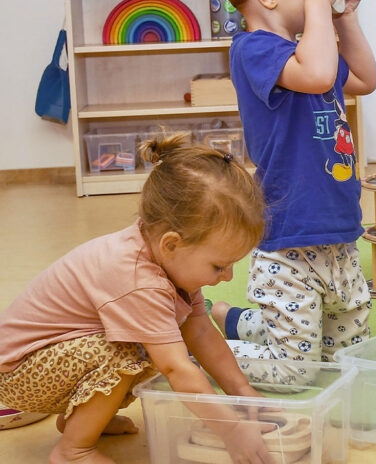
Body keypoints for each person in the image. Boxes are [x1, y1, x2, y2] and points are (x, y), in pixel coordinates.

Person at [0, 135, 274, 464]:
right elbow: (176, 368)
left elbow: (200, 331)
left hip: (53, 360)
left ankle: (84, 419)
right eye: (219, 266)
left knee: (155, 341)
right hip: (21, 372)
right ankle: (73, 449)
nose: (227, 277)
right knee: (136, 352)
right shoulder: (138, 280)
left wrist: (241, 393)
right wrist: (230, 431)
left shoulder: (171, 261)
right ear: (172, 244)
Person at [209, 0, 376, 366]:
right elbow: (319, 75)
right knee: (296, 370)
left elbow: (363, 79)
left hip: (337, 228)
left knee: (346, 364)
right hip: (289, 239)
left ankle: (240, 320)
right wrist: (321, 5)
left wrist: (344, 15)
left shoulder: (311, 50)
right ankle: (203, 352)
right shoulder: (254, 49)